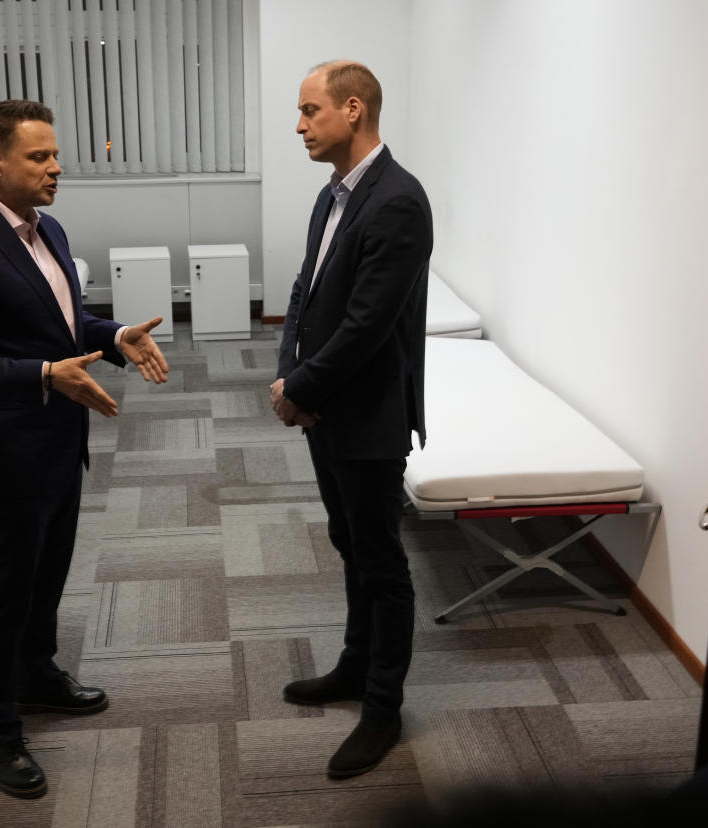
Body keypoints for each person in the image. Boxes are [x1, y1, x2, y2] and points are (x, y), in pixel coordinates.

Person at [0, 99, 168, 799]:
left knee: (48, 572)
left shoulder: (47, 228)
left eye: (56, 155)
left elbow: (62, 322)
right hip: (2, 452)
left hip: (59, 440)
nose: (56, 167)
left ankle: (38, 675)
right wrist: (42, 376)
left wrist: (113, 336)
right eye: (39, 157)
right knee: (4, 592)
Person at [271, 61, 432, 778]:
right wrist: (289, 373)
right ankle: (353, 664)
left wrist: (299, 386)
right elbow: (305, 292)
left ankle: (382, 708)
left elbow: (368, 325)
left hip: (366, 415)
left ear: (354, 109)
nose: (300, 126)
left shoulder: (397, 201)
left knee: (381, 561)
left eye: (310, 111)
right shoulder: (331, 197)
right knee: (350, 542)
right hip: (325, 409)